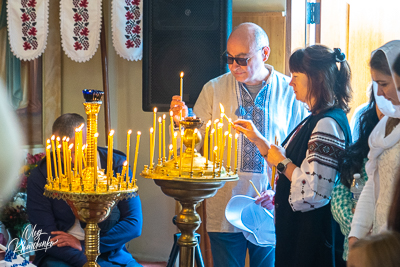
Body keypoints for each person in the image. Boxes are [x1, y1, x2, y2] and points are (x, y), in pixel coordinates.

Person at [170, 22, 307, 266]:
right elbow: (193, 147)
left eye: (242, 59)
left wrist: (278, 192)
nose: (234, 66)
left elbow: (299, 151)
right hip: (224, 202)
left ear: (264, 54)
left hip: (270, 203)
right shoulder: (213, 89)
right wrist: (182, 125)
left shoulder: (290, 92)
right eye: (229, 58)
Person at [235, 44, 352, 267]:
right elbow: (299, 166)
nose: (291, 83)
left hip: (312, 242)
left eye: (296, 76)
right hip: (303, 236)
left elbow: (315, 192)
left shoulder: (327, 124)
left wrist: (282, 163)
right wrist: (259, 140)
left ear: (316, 78)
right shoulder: (317, 118)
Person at [27, 113, 143, 267]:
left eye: (78, 151)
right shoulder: (42, 174)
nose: (73, 160)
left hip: (109, 252)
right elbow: (44, 236)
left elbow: (133, 223)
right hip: (62, 255)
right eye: (65, 153)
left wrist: (86, 246)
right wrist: (83, 260)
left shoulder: (116, 165)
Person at [348, 40, 400, 247]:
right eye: (375, 84)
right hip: (381, 238)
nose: (378, 93)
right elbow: (373, 181)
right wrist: (356, 234)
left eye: (383, 84)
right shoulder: (385, 124)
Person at [330, 89, 382, 261]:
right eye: (379, 98)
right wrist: (357, 223)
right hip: (354, 251)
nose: (384, 107)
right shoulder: (366, 134)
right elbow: (340, 192)